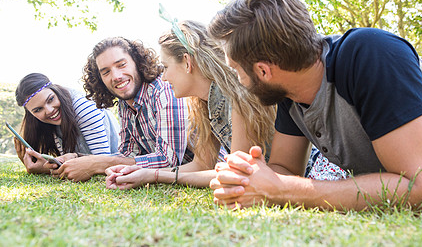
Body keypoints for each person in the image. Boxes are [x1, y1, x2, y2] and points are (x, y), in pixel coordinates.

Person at [208, 0, 422, 213]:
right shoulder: (289, 92)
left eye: (236, 69)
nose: (238, 79)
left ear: (263, 71)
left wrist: (281, 190)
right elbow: (285, 170)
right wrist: (246, 178)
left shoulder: (371, 54)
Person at [104, 20, 277, 189]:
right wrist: (145, 173)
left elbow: (237, 173)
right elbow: (201, 166)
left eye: (165, 67)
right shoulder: (204, 104)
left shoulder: (237, 97)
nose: (163, 77)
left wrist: (154, 175)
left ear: (187, 62)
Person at [45, 37, 191, 182]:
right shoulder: (125, 103)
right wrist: (79, 159)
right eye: (106, 72)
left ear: (137, 63)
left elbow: (169, 160)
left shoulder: (164, 91)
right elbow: (128, 154)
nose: (116, 76)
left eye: (121, 65)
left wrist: (96, 165)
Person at [14, 73, 119, 174]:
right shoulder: (51, 121)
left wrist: (45, 169)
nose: (49, 110)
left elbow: (102, 163)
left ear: (55, 91)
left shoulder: (83, 108)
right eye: (38, 110)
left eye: (50, 99)